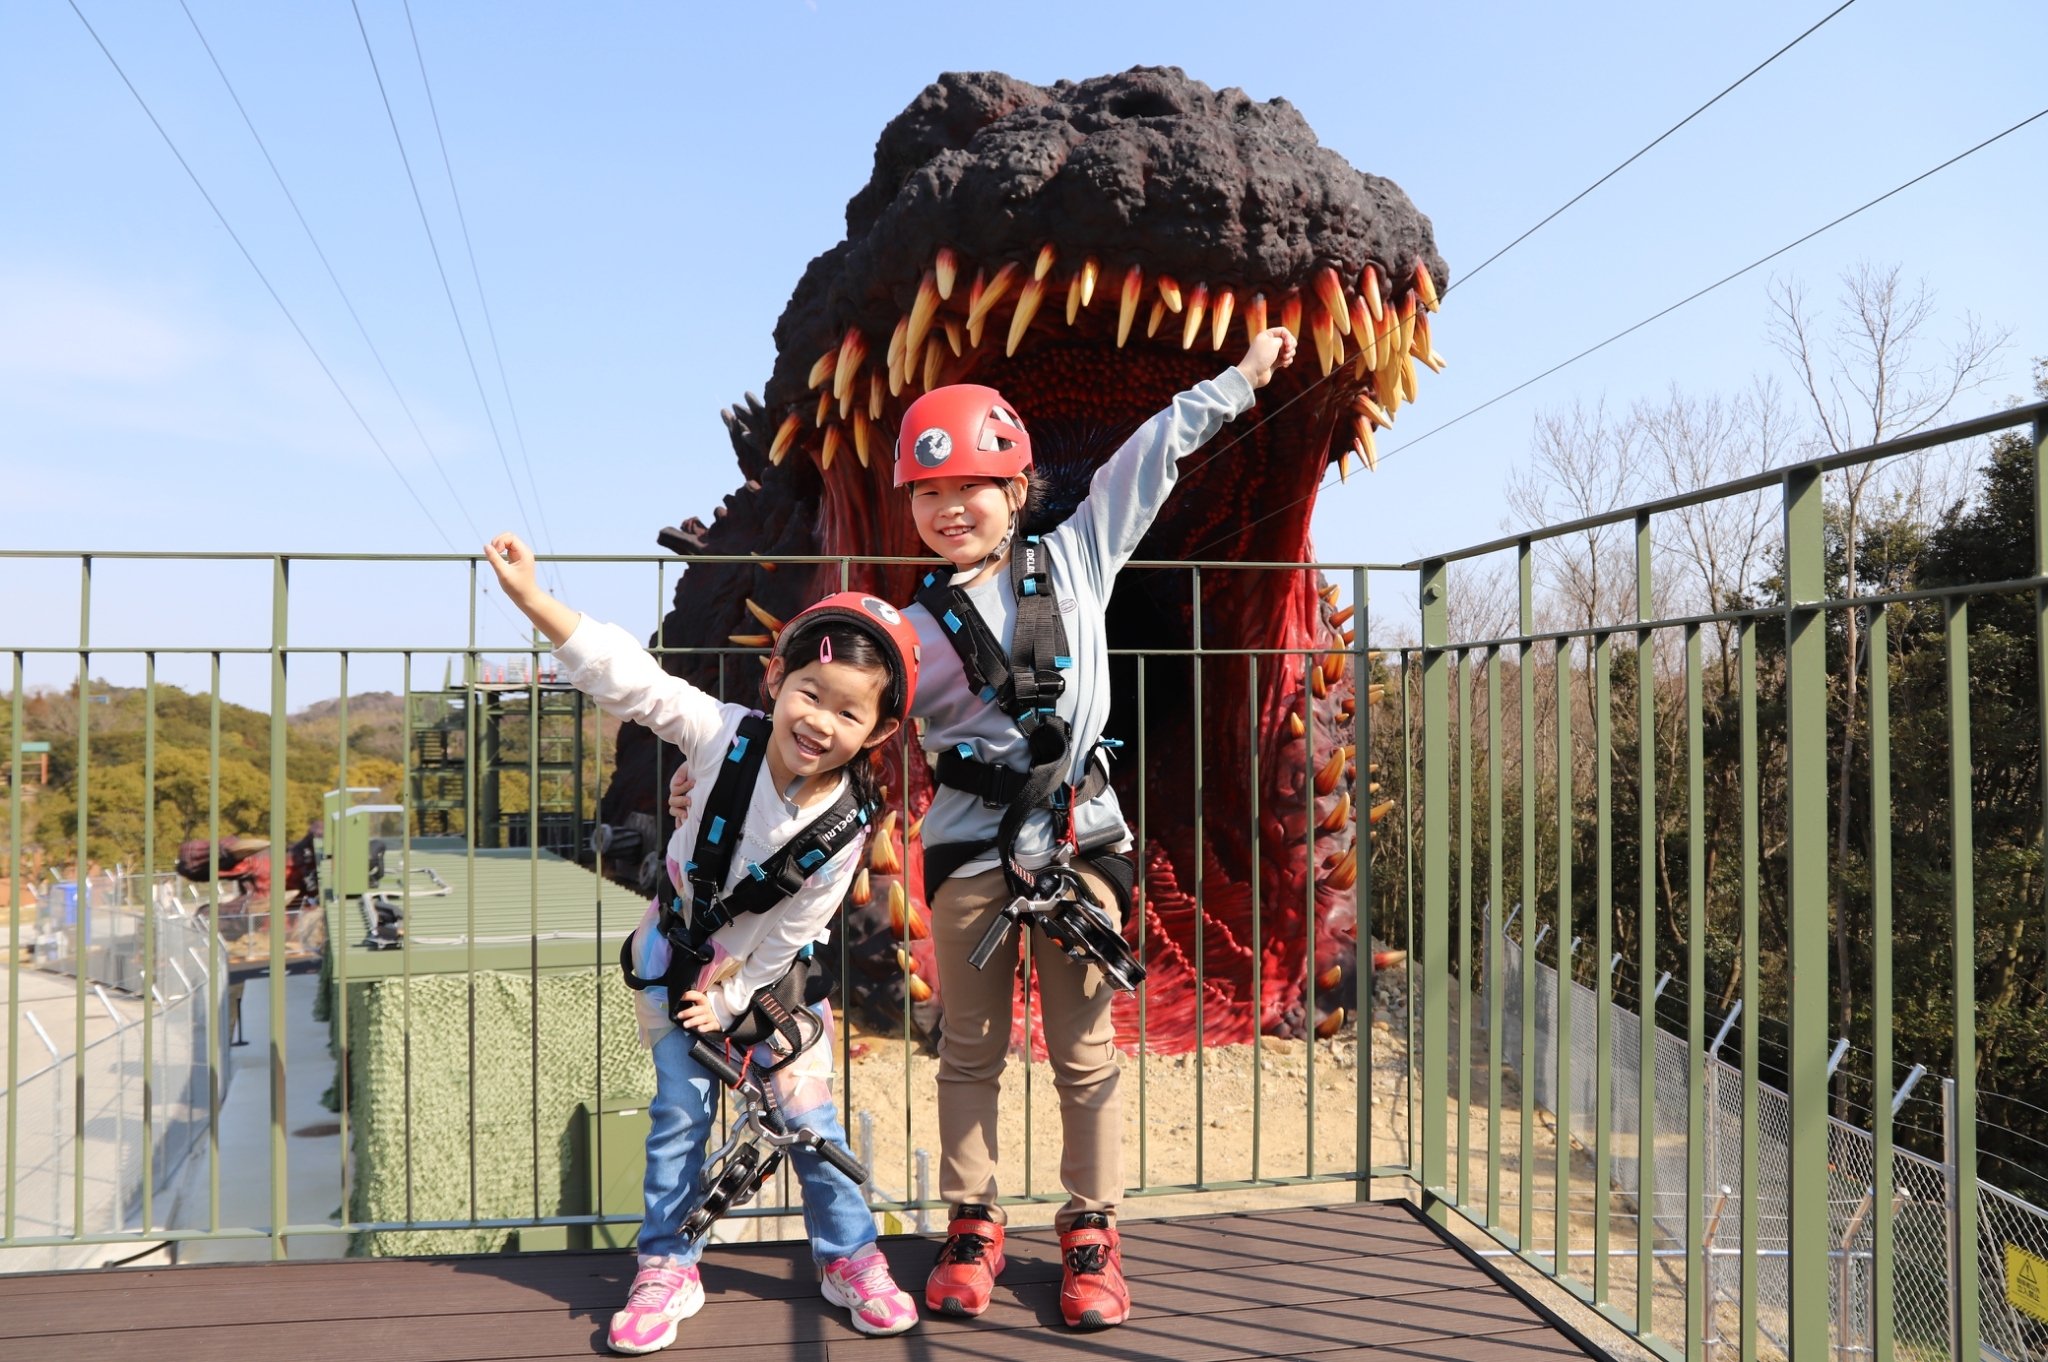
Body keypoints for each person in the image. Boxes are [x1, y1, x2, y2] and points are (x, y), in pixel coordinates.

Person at [898, 326, 1298, 1330]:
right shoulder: (903, 629)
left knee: (1082, 1047)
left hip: (1077, 834)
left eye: (972, 490)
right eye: (930, 495)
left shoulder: (1074, 554)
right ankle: (971, 1221)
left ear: (1017, 488)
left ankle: (1090, 1225)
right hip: (964, 844)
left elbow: (1151, 450)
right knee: (969, 1047)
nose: (951, 511)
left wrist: (1238, 383)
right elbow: (831, 713)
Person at [485, 534, 924, 1352]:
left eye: (849, 710)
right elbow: (636, 682)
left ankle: (850, 1257)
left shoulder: (844, 832)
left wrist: (727, 999)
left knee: (811, 1121)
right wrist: (537, 604)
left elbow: (790, 936)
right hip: (677, 955)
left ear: (882, 728)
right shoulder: (724, 736)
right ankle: (667, 1262)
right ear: (776, 682)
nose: (819, 720)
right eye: (809, 692)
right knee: (681, 1114)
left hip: (766, 984)